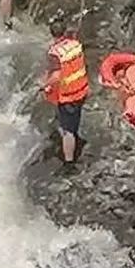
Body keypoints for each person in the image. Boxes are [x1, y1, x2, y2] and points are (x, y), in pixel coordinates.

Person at [42, 11, 89, 166]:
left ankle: (69, 162)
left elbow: (56, 75)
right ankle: (75, 135)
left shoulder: (54, 53)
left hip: (69, 96)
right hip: (81, 89)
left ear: (51, 33)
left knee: (68, 132)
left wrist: (44, 85)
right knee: (74, 119)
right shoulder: (75, 44)